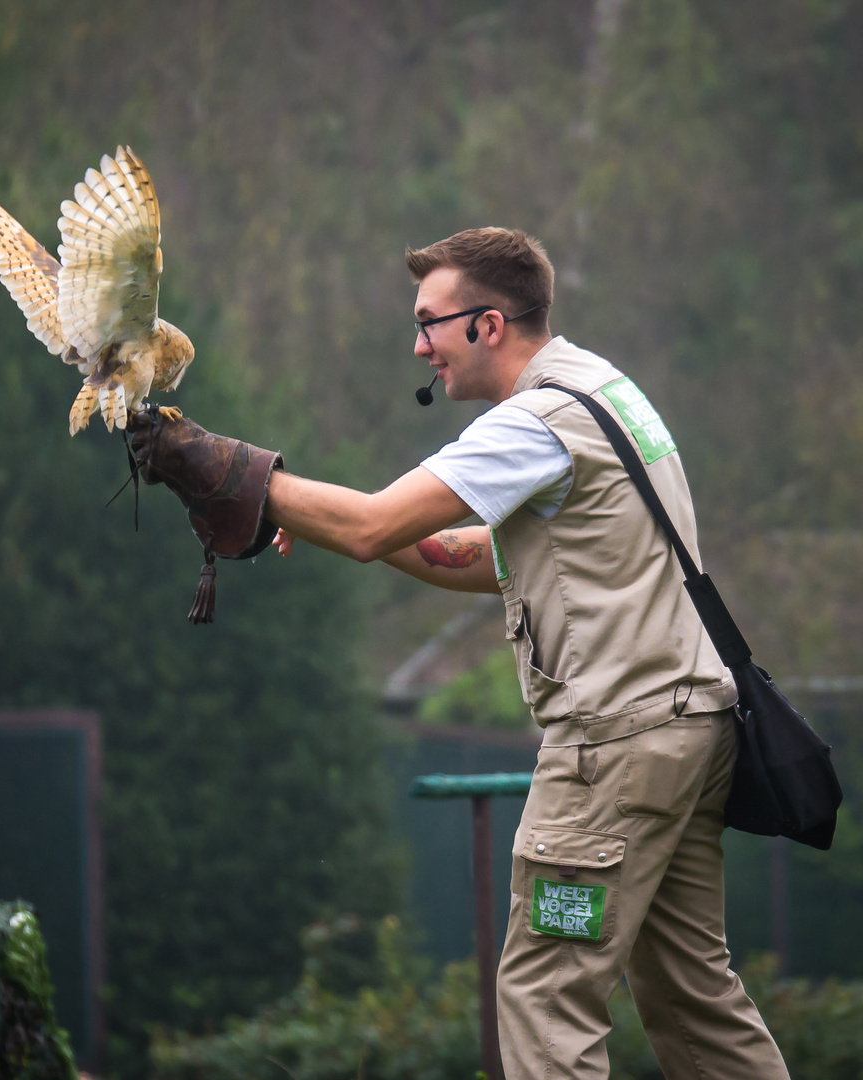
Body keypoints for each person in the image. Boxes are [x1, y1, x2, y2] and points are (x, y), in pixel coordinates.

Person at [132, 228, 789, 1079]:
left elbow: (374, 525)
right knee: (693, 1002)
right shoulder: (602, 390)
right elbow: (473, 556)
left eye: (429, 323)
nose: (418, 346)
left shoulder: (533, 424)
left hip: (615, 748)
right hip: (690, 733)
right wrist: (293, 514)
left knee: (545, 998)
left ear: (486, 324)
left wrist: (224, 468)